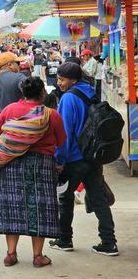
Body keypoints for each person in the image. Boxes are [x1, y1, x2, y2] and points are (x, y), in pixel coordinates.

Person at [0, 77, 66, 267]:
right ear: (42, 93)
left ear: (23, 93)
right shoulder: (51, 114)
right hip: (42, 165)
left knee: (12, 206)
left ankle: (11, 254)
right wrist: (61, 163)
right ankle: (38, 256)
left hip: (12, 164)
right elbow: (62, 141)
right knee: (40, 208)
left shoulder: (9, 110)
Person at [49, 62, 119, 256]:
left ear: (73, 80)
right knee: (99, 199)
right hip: (93, 155)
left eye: (62, 79)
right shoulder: (90, 91)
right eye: (58, 79)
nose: (59, 83)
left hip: (74, 158)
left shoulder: (68, 98)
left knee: (65, 198)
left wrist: (60, 160)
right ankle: (109, 242)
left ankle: (64, 240)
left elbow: (64, 134)